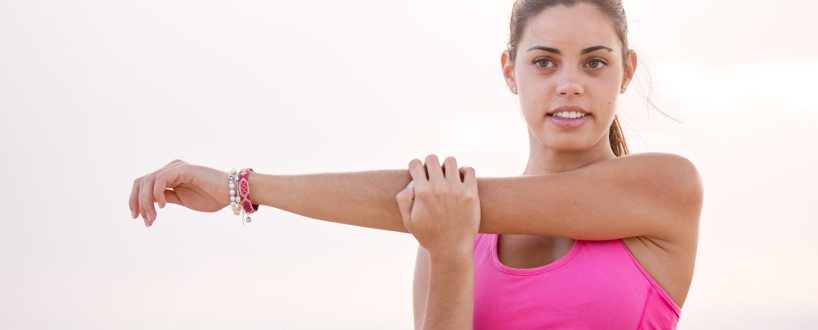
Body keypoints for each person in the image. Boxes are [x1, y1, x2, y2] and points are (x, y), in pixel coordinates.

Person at [127, 0, 703, 328]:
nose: (570, 85)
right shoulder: (449, 227)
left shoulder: (665, 188)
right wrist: (450, 254)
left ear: (627, 70)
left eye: (595, 64)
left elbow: (447, 200)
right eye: (545, 62)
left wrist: (241, 186)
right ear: (510, 71)